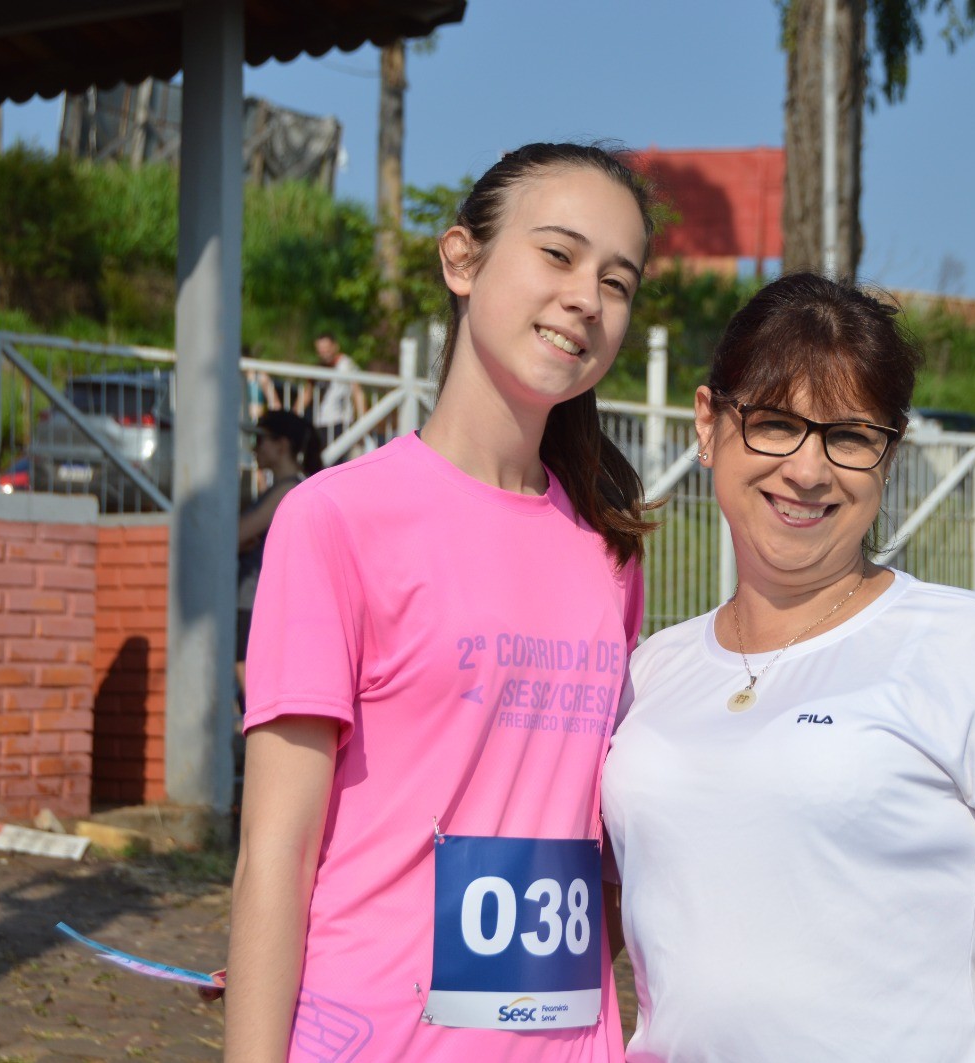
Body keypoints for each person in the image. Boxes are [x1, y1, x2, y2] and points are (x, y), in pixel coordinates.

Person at [224, 142, 657, 1062]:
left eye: (617, 282)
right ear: (462, 259)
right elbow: (274, 853)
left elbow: (597, 852)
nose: (587, 297)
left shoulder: (611, 553)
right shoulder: (335, 521)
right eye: (558, 253)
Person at [602, 273, 975, 1063]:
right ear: (708, 423)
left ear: (888, 454)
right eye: (774, 423)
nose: (808, 470)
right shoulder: (647, 674)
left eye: (850, 436)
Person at [235, 410, 322, 700]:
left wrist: (241, 540)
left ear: (282, 445)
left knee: (253, 694)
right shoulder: (285, 488)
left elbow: (237, 535)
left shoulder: (288, 489)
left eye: (260, 441)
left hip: (255, 600)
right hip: (252, 597)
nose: (254, 448)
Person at [296, 331, 367, 454]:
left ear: (335, 347)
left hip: (340, 424)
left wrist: (363, 424)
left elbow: (358, 393)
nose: (324, 353)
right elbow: (307, 392)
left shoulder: (346, 365)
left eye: (326, 349)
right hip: (320, 424)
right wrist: (293, 415)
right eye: (320, 350)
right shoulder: (318, 368)